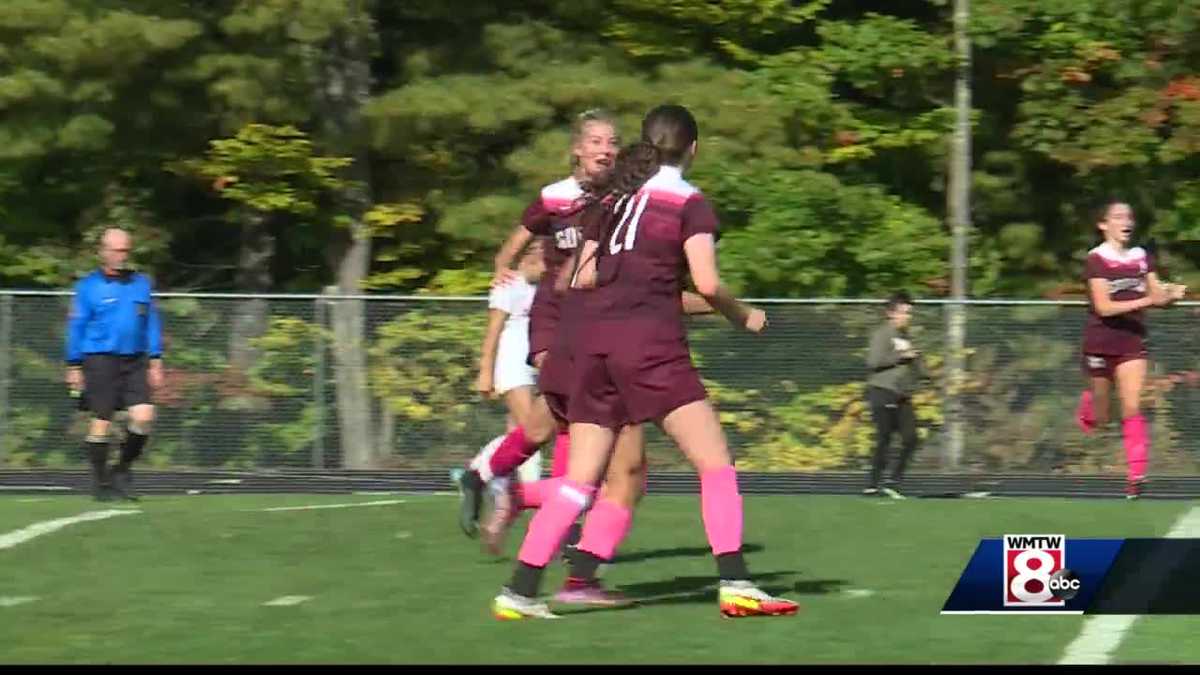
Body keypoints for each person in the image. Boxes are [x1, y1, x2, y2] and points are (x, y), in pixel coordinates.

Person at [491, 104, 798, 620]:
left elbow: (581, 278)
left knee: (580, 479)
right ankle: (737, 583)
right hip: (650, 347)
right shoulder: (689, 203)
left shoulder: (612, 197)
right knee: (715, 462)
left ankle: (518, 592)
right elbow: (705, 282)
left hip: (589, 346)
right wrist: (743, 316)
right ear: (693, 149)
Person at [454, 110, 621, 533]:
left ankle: (483, 475)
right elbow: (513, 243)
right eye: (597, 141)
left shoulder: (621, 198)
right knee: (573, 415)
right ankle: (563, 525)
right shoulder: (555, 197)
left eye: (613, 142)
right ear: (578, 150)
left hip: (596, 323)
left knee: (547, 424)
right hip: (554, 320)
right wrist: (501, 269)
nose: (606, 149)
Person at [1074, 201, 1185, 499]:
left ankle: (1136, 475)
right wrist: (1151, 301)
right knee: (1100, 418)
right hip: (1100, 342)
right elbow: (1104, 307)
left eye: (1130, 216)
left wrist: (1171, 294)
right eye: (1118, 217)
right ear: (1103, 224)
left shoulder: (1141, 257)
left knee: (1133, 407)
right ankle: (1090, 403)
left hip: (1132, 342)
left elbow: (1155, 291)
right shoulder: (1096, 259)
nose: (1126, 222)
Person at [65, 228, 163, 502]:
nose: (123, 256)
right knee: (102, 422)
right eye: (118, 250)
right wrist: (73, 365)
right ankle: (100, 481)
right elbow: (77, 327)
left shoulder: (141, 283)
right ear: (103, 252)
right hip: (99, 360)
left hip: (135, 360)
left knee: (143, 417)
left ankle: (122, 470)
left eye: (126, 250)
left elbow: (151, 322)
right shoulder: (87, 287)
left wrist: (156, 359)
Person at [864, 291, 924, 499]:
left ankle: (894, 482)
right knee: (885, 439)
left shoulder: (906, 337)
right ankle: (873, 484)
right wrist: (900, 356)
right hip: (882, 391)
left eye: (909, 313)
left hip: (902, 394)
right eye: (903, 313)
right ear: (890, 313)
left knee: (911, 438)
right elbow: (873, 362)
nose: (907, 317)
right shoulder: (882, 334)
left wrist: (919, 364)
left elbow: (914, 364)